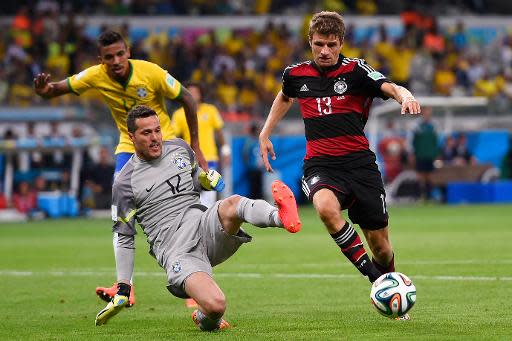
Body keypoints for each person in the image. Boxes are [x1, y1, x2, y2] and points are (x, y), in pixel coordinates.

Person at [258, 11, 420, 319]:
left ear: (341, 43)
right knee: (325, 208)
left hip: (360, 166)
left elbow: (389, 86)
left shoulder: (356, 71)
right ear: (310, 42)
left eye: (331, 45)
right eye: (319, 44)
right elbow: (284, 96)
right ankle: (379, 283)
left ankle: (389, 281)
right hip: (321, 164)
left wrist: (406, 96)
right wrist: (265, 133)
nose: (325, 51)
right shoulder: (296, 74)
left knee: (382, 247)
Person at [33, 30, 208, 307]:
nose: (115, 61)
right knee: (121, 215)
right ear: (100, 60)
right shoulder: (94, 75)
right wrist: (45, 92)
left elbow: (186, 96)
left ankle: (196, 281)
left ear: (128, 52)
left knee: (183, 213)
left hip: (164, 146)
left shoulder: (150, 72)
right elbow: (56, 88)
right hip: (128, 148)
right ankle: (125, 286)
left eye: (120, 54)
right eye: (108, 57)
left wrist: (195, 144)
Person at [94, 105, 301, 330]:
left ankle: (281, 217)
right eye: (146, 133)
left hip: (204, 225)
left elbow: (195, 182)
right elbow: (124, 237)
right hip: (177, 250)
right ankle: (205, 319)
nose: (155, 138)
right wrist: (124, 287)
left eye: (157, 130)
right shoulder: (125, 183)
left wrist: (206, 181)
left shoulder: (180, 149)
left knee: (233, 203)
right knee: (215, 305)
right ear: (131, 137)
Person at [171, 82, 230, 208]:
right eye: (189, 92)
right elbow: (174, 137)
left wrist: (226, 151)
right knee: (191, 195)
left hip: (209, 158)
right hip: (190, 160)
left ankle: (210, 225)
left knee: (209, 196)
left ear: (200, 94)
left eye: (195, 92)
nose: (192, 94)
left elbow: (220, 133)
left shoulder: (211, 110)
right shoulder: (179, 114)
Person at [412, 106, 439, 200]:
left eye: (429, 113)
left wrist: (436, 154)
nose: (428, 115)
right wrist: (413, 153)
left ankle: (429, 196)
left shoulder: (433, 126)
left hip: (430, 155)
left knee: (429, 176)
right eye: (426, 113)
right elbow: (413, 141)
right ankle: (419, 195)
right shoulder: (417, 126)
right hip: (420, 155)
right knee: (420, 176)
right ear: (423, 114)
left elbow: (435, 142)